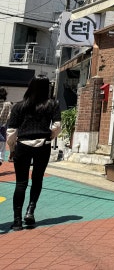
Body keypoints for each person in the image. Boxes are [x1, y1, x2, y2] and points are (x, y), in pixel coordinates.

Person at [6, 76, 61, 232]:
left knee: (21, 183)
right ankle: (30, 211)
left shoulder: (19, 106)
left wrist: (12, 149)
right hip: (43, 145)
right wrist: (48, 136)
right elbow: (57, 126)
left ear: (30, 86)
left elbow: (11, 131)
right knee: (37, 179)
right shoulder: (52, 105)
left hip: (23, 145)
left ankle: (17, 221)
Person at [0, 87, 11, 162]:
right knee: (2, 145)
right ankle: (0, 159)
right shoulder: (8, 104)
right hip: (3, 126)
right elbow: (9, 116)